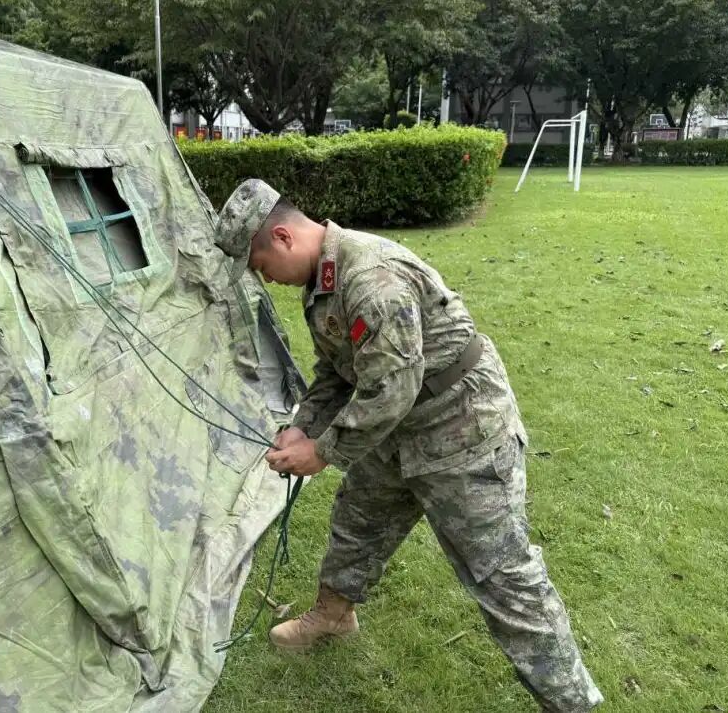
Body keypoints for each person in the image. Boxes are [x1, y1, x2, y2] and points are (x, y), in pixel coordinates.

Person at [214, 179, 603, 712]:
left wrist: (321, 452)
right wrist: (304, 425)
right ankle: (334, 615)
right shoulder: (322, 281)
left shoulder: (371, 280)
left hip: (461, 428)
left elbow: (391, 386)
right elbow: (337, 370)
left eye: (260, 265)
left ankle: (573, 702)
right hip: (395, 427)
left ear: (282, 237)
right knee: (358, 521)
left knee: (503, 575)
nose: (265, 279)